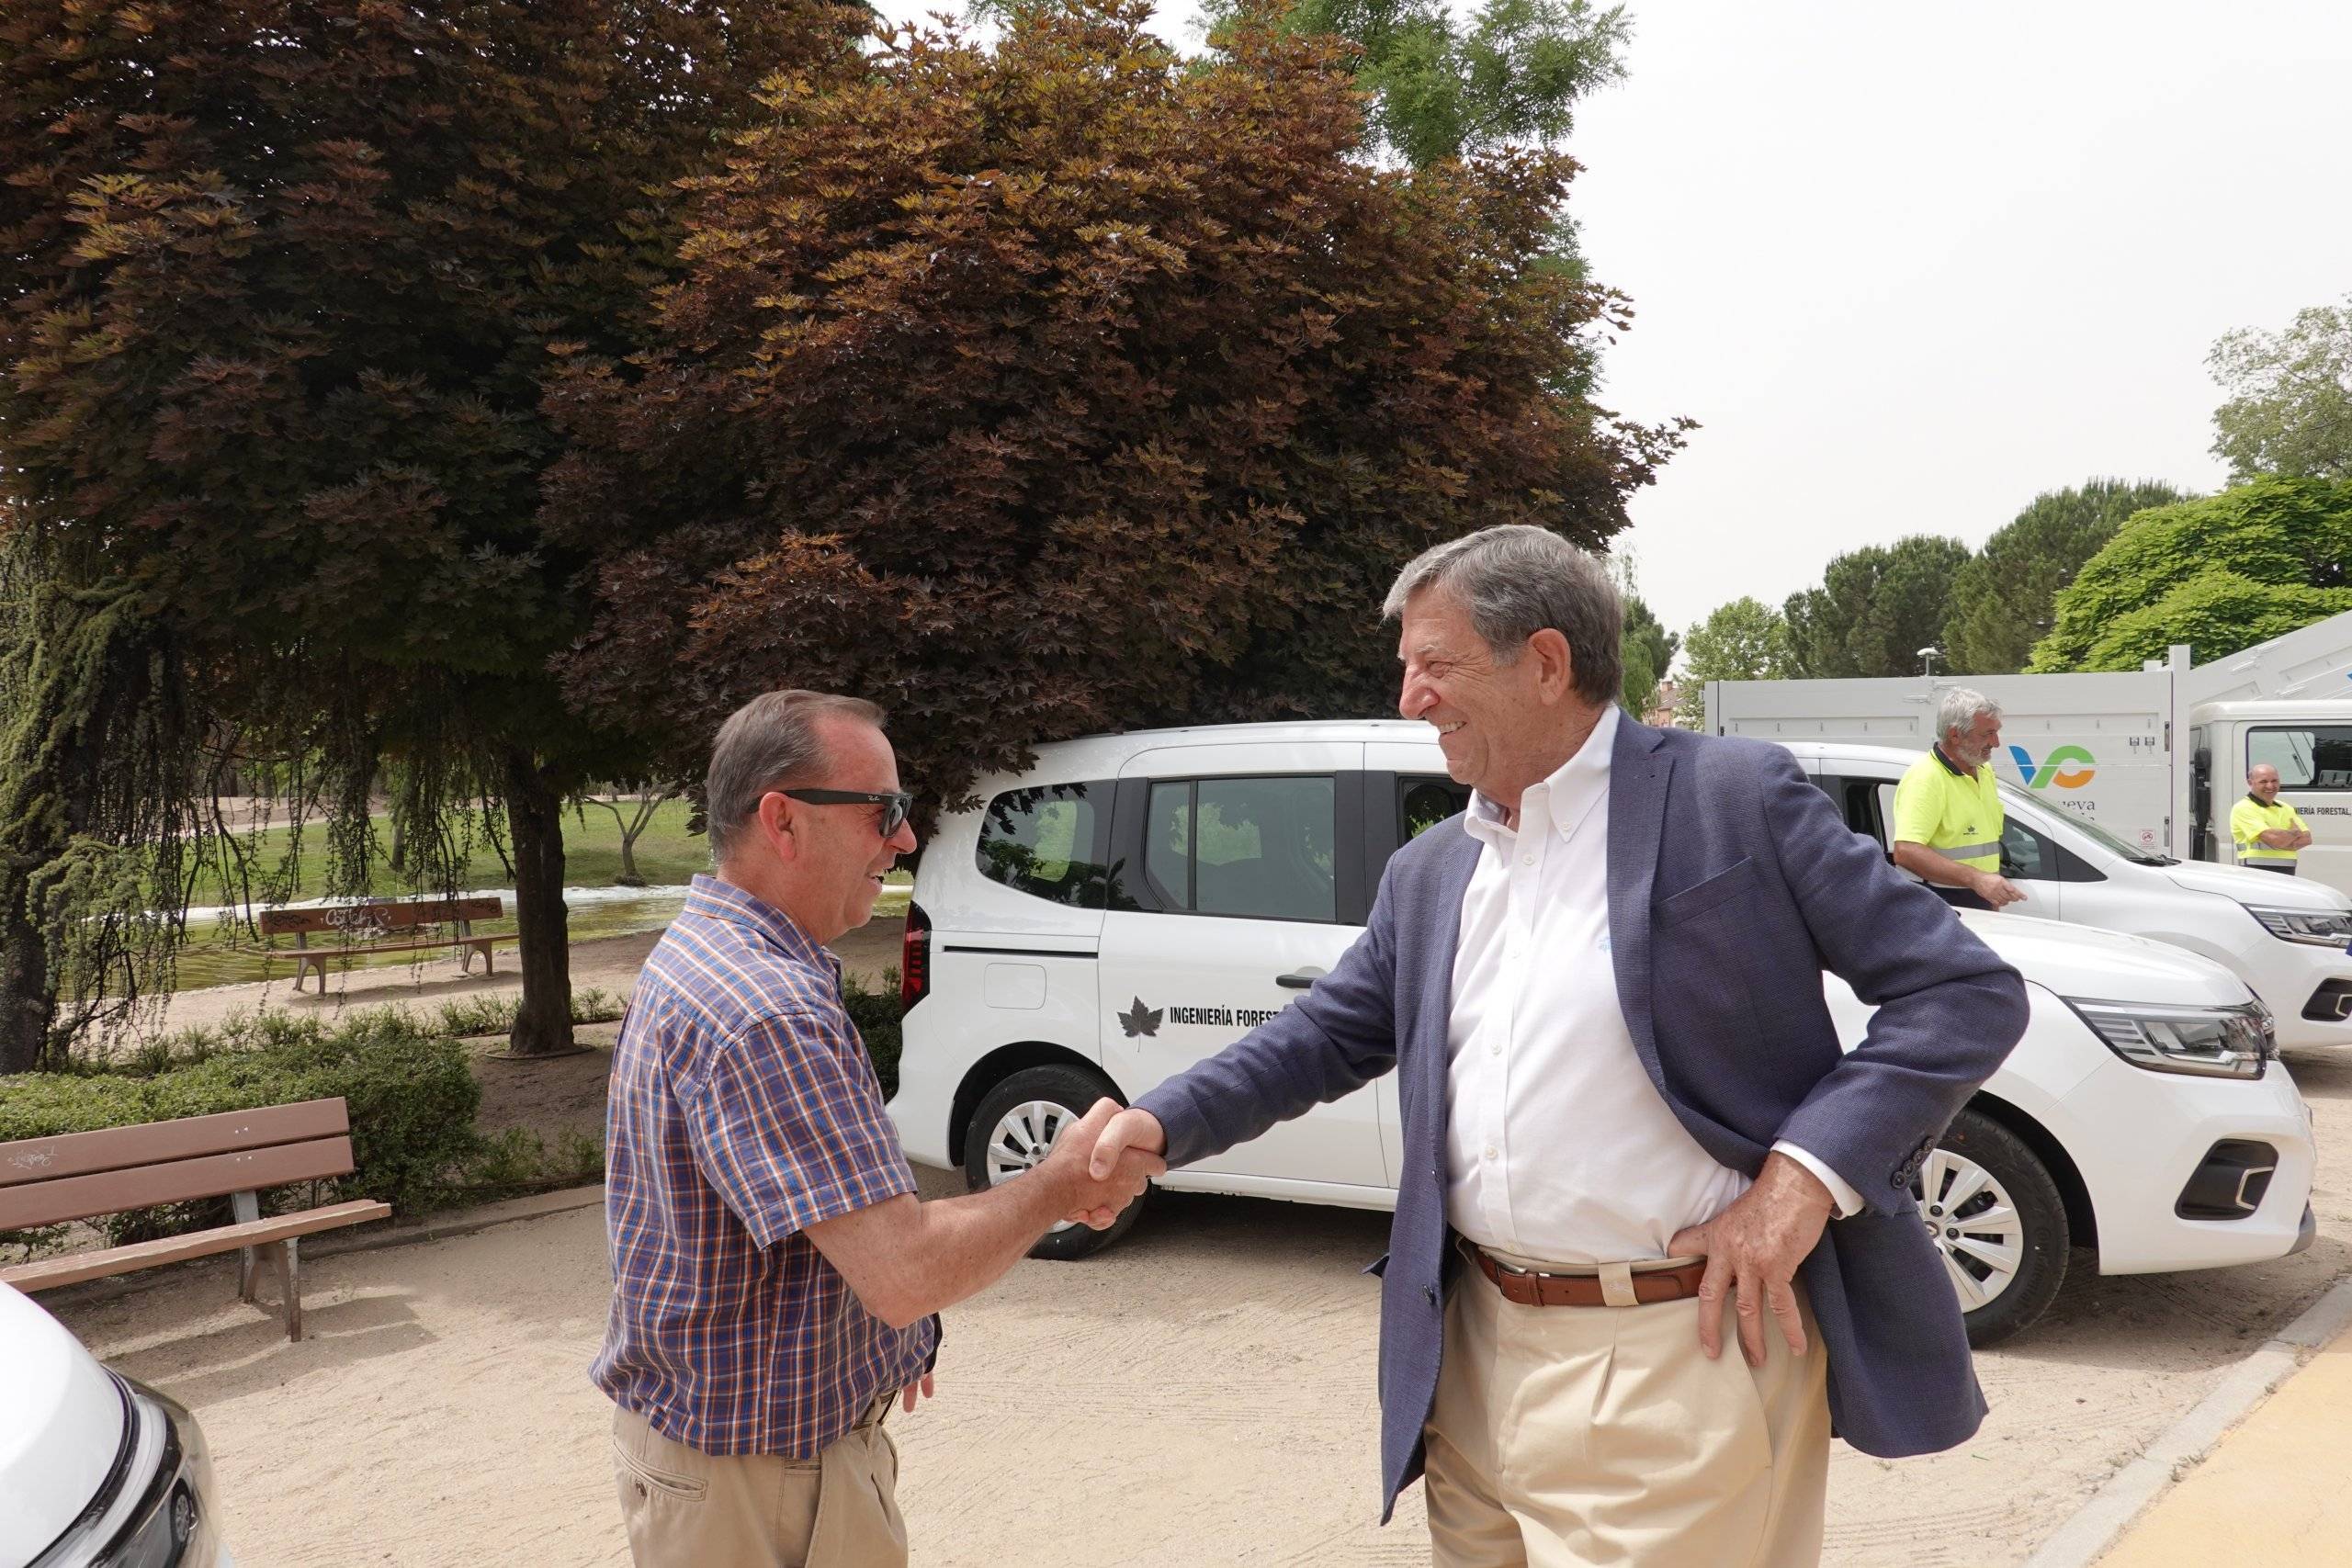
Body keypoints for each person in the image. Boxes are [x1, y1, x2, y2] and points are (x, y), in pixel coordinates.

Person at [1082, 526, 2030, 1567]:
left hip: (1679, 1356)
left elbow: (1960, 991)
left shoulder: (1732, 799)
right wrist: (1161, 1124)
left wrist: (1799, 1185)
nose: (1410, 700)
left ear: (1544, 662)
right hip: (1470, 1352)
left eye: (1432, 666)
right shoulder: (1433, 869)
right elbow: (1330, 1031)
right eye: (1405, 671)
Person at [592, 689, 1159, 1568]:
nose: (902, 839)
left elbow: (805, 1231)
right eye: (884, 810)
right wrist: (1060, 1180)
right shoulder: (767, 1008)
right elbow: (903, 1270)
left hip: (729, 1470)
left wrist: (883, 1341)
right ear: (782, 820)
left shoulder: (709, 953)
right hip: (764, 1488)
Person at [1890, 687, 2026, 911]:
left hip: (1976, 901)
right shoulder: (1926, 777)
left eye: (1996, 732)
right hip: (1940, 905)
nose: (1996, 742)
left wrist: (1986, 889)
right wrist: (1977, 879)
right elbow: (1906, 851)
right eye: (1987, 734)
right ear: (1955, 735)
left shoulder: (1983, 770)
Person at [2230, 762, 2312, 874]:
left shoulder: (2285, 807)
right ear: (2250, 782)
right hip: (2256, 871)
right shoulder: (2244, 807)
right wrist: (2294, 833)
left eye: (2274, 781)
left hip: (2288, 873)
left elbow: (2307, 839)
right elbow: (2274, 839)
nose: (2270, 786)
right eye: (2263, 782)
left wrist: (2282, 839)